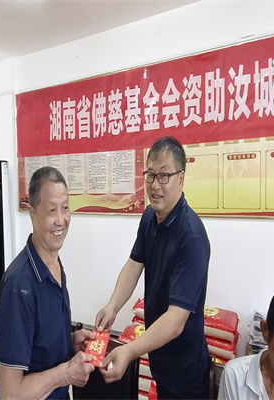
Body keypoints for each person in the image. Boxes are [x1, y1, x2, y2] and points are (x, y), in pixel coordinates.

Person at [95, 136, 211, 399]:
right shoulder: (150, 216)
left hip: (185, 371)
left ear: (180, 179)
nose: (155, 185)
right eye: (150, 175)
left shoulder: (191, 238)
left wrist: (129, 350)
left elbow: (175, 322)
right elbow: (134, 264)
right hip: (159, 356)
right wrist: (113, 306)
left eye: (164, 176)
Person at [0, 166, 95, 399]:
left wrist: (69, 342)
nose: (61, 220)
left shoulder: (54, 264)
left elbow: (39, 347)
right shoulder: (19, 287)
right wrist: (65, 374)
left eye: (65, 208)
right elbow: (10, 394)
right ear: (32, 214)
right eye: (52, 210)